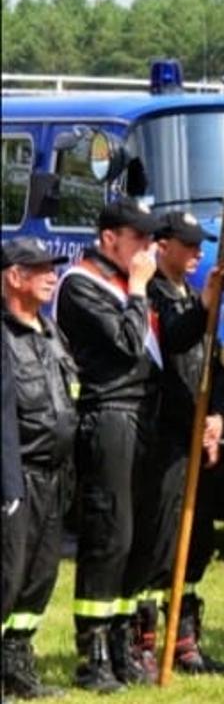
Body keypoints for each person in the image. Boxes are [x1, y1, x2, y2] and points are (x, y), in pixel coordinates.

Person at [54, 200, 165, 688]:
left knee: (137, 536)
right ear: (108, 239)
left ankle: (121, 638)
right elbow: (125, 343)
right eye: (138, 239)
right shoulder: (81, 284)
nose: (148, 249)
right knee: (109, 535)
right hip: (108, 415)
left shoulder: (125, 285)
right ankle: (92, 650)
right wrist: (140, 289)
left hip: (143, 416)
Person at [131, 212, 224, 675]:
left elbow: (221, 365)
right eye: (189, 245)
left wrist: (218, 413)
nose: (197, 254)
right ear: (163, 244)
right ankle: (144, 643)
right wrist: (204, 306)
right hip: (164, 436)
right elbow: (173, 340)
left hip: (198, 435)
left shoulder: (194, 297)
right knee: (160, 539)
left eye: (201, 246)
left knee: (196, 541)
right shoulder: (150, 295)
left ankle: (185, 640)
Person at [1, 239, 79, 698]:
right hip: (17, 475)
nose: (52, 276)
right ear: (14, 276)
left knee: (39, 576)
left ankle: (16, 661)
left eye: (53, 267)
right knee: (7, 573)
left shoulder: (50, 331)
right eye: (41, 268)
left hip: (56, 475)